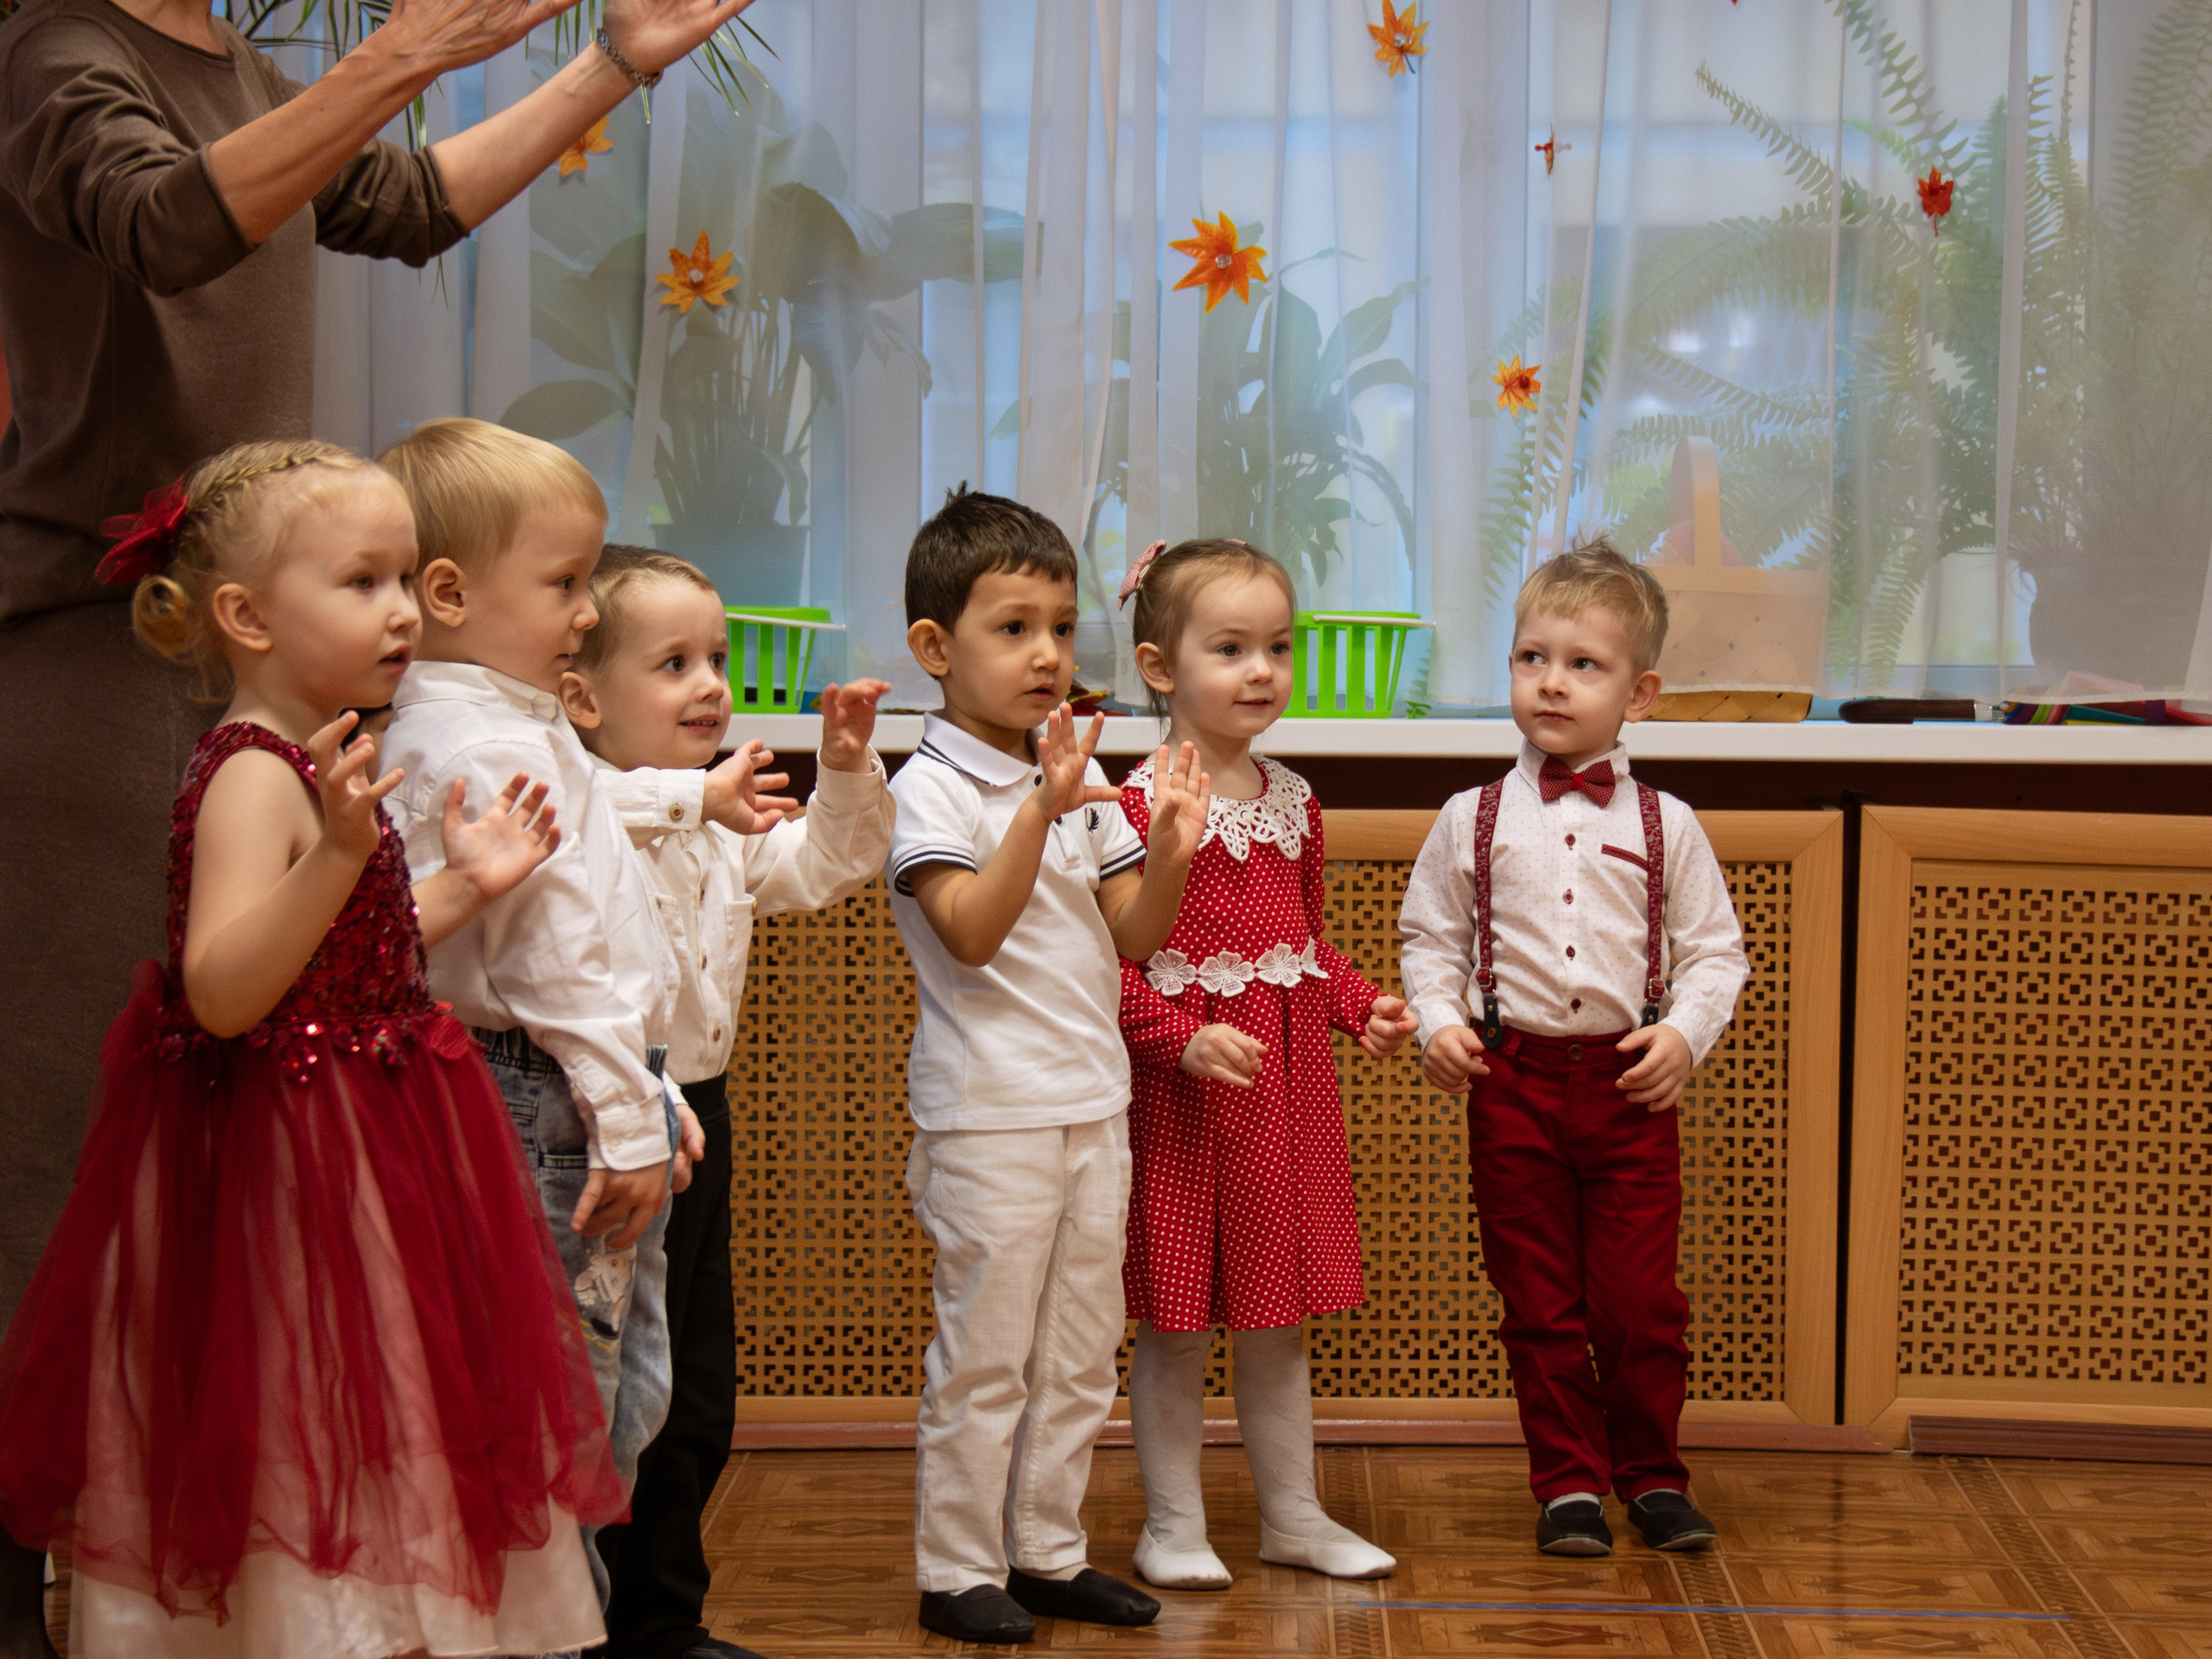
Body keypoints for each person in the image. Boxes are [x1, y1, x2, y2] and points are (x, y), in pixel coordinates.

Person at [0, 0, 757, 1643]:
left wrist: (613, 63)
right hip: (101, 655)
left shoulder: (236, 69)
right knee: (72, 1179)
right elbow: (166, 222)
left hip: (257, 677)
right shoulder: (61, 53)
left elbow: (401, 203)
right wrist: (406, 50)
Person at [0, 439, 627, 1656]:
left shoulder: (317, 759)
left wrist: (460, 886)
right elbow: (225, 989)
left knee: (385, 1406)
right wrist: (340, 853)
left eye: (405, 578)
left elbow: (348, 950)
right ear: (246, 617)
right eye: (362, 582)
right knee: (304, 1408)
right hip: (287, 1159)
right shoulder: (250, 774)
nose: (402, 611)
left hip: (367, 1137)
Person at [375, 420, 737, 1601]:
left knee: (616, 1393)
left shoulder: (506, 720)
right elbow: (554, 961)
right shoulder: (484, 741)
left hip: (577, 1085)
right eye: (566, 584)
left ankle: (565, 1608)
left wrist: (650, 1090)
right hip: (550, 1098)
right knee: (572, 1410)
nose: (587, 612)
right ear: (450, 593)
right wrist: (630, 1117)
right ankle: (550, 1617)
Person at [883, 489, 1210, 1647]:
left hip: (1092, 1104)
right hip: (989, 1116)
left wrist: (1168, 853)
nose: (1046, 655)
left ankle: (1046, 1552)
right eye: (1013, 628)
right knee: (986, 1357)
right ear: (936, 648)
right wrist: (1040, 804)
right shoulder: (930, 786)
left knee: (1077, 1352)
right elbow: (970, 931)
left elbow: (1135, 936)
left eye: (1063, 628)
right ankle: (955, 1569)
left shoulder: (1070, 770)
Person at [556, 547, 896, 1659]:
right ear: (581, 698)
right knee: (610, 1389)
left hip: (707, 1114)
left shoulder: (714, 823)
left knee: (694, 1391)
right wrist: (689, 796)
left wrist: (842, 769)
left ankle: (664, 1617)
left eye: (717, 659)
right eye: (673, 664)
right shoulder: (575, 804)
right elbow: (589, 806)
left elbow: (824, 865)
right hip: (610, 1124)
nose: (710, 685)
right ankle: (579, 1623)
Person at [1398, 537, 1749, 1558]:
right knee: (1539, 1303)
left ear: (1638, 694)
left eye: (1582, 664)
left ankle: (1653, 1476)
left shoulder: (1668, 823)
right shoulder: (1469, 817)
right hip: (1512, 1086)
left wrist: (1683, 1033)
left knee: (1639, 1305)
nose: (1551, 682)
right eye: (1531, 657)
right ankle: (1567, 1485)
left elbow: (1715, 954)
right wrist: (1440, 1021)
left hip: (1627, 1091)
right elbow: (1430, 942)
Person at [1112, 538, 1419, 1591]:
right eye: (1230, 648)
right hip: (1184, 1103)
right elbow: (1104, 970)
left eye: (1278, 648)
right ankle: (1170, 1525)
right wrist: (1180, 1039)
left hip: (1283, 1103)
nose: (1261, 672)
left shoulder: (1294, 800)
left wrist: (1361, 1006)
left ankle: (1294, 1516)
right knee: (1176, 1325)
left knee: (1276, 1324)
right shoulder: (1126, 806)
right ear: (1159, 667)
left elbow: (1304, 945)